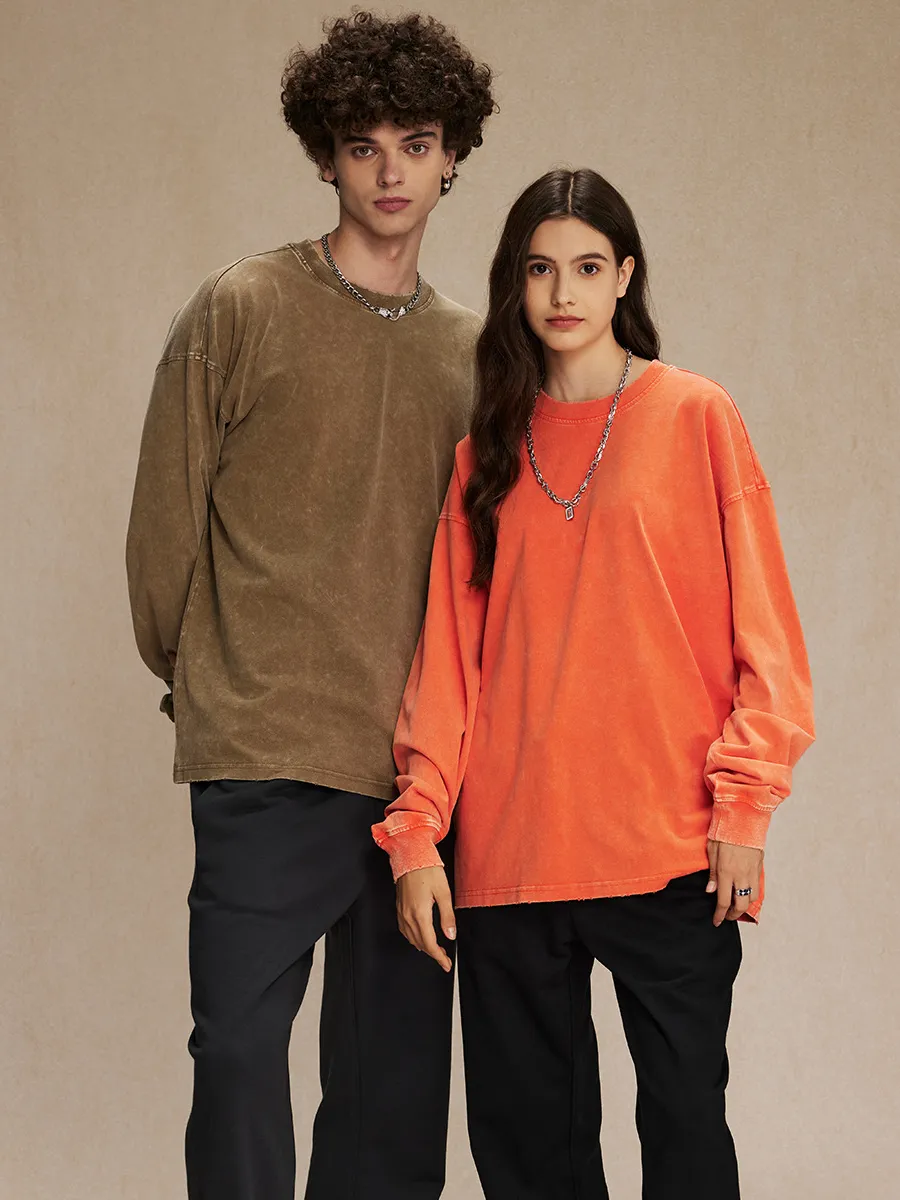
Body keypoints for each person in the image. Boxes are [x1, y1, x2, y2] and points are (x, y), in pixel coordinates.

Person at [373, 168, 815, 1199]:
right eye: (540, 270)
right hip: (512, 858)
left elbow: (769, 639)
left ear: (624, 276)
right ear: (515, 284)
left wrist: (744, 809)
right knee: (532, 1164)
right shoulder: (483, 456)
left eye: (585, 267)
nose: (562, 292)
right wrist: (416, 834)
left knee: (687, 1137)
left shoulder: (696, 416)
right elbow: (449, 667)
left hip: (668, 849)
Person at [125, 12, 494, 1200]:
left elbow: (492, 574)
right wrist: (215, 685)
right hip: (264, 757)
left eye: (416, 144)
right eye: (363, 145)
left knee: (393, 1094)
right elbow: (164, 530)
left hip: (417, 785)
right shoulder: (241, 308)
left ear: (452, 157)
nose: (390, 172)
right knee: (238, 1057)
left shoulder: (476, 356)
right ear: (325, 154)